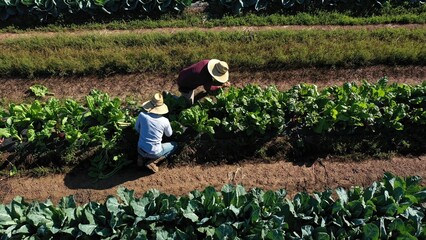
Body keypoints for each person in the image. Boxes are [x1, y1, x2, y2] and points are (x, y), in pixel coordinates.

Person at [135, 92, 178, 173]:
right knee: (174, 145)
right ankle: (153, 162)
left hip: (140, 149)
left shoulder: (142, 115)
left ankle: (140, 159)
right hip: (154, 152)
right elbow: (169, 135)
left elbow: (137, 128)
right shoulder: (165, 121)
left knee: (142, 146)